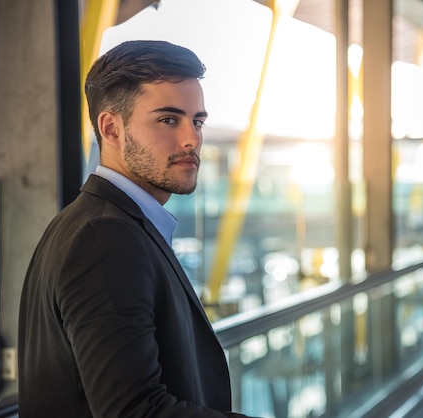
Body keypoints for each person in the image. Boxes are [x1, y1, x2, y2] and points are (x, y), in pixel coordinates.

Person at [18, 40, 253, 418]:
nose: (192, 138)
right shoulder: (104, 237)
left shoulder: (94, 223)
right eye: (168, 119)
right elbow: (134, 411)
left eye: (197, 120)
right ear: (111, 128)